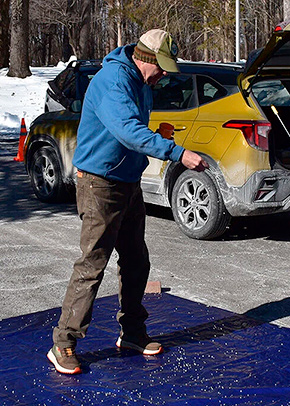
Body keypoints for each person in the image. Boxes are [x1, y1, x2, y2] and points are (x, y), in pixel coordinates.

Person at [47, 29, 208, 375]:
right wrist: (178, 153)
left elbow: (132, 128)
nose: (164, 75)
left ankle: (133, 332)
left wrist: (158, 135)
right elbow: (126, 131)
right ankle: (63, 342)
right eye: (161, 68)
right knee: (93, 264)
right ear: (144, 58)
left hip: (127, 180)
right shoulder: (113, 81)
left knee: (136, 260)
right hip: (99, 184)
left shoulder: (140, 81)